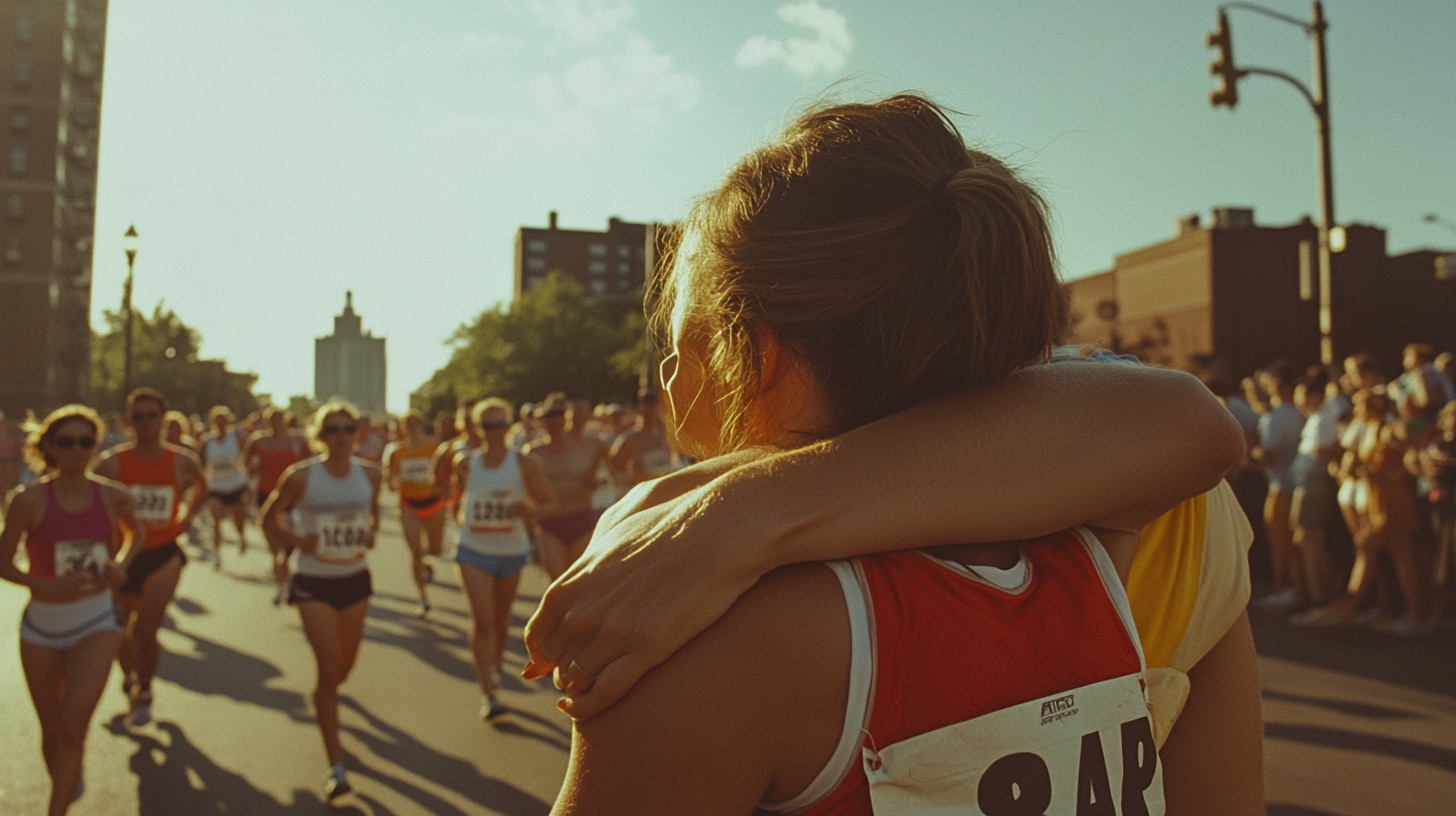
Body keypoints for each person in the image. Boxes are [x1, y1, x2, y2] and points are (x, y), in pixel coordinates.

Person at [534, 95, 1255, 814]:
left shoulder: (697, 634)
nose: (665, 378)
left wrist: (722, 509)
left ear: (755, 356)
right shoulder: (1148, 529)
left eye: (680, 341)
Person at [0, 405, 136, 815]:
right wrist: (45, 586)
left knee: (72, 727)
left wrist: (120, 567)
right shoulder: (28, 499)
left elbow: (137, 533)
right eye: (66, 442)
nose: (77, 450)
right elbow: (3, 564)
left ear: (96, 446)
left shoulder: (112, 495)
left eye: (86, 442)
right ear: (48, 447)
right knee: (52, 728)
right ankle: (66, 773)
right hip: (42, 625)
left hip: (96, 619)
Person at [260, 401, 381, 800]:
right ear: (320, 436)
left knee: (341, 671)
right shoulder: (301, 476)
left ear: (357, 434)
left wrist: (369, 533)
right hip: (313, 579)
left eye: (348, 428)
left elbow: (373, 516)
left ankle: (323, 698)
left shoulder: (369, 474)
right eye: (332, 429)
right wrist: (298, 540)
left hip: (355, 579)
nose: (341, 436)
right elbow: (268, 517)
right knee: (329, 669)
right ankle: (336, 764)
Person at [92, 389, 206, 726]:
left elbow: (202, 486)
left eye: (151, 415)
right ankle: (129, 678)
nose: (145, 422)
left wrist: (185, 516)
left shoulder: (182, 461)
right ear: (129, 421)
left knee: (145, 630)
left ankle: (145, 689)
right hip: (123, 555)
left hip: (163, 552)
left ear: (162, 419)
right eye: (138, 416)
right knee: (119, 631)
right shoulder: (112, 462)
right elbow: (90, 498)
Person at [452, 398, 556, 719]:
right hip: (473, 550)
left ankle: (494, 666)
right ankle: (488, 694)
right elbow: (460, 500)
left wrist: (530, 510)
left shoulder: (524, 464)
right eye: (487, 425)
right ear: (476, 428)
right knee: (482, 621)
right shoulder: (465, 462)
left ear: (508, 426)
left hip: (511, 551)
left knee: (500, 621)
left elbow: (550, 503)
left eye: (500, 424)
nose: (494, 431)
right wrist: (463, 518)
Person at [523, 397, 610, 579]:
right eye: (548, 417)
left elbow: (611, 473)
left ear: (565, 419)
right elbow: (526, 488)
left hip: (582, 519)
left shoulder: (587, 446)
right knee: (558, 584)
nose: (554, 421)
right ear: (541, 421)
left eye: (559, 416)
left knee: (579, 583)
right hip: (549, 524)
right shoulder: (533, 452)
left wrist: (598, 482)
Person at [1249, 362, 1308, 612]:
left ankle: (1285, 590)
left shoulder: (1276, 417)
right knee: (1289, 542)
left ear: (1278, 385)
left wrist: (1250, 451)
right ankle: (1293, 590)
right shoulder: (1298, 412)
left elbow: (1269, 455)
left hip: (1280, 486)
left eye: (1268, 382)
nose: (1264, 386)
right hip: (1295, 483)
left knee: (1281, 543)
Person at [386, 411, 447, 615]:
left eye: (416, 423)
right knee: (416, 552)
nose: (413, 427)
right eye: (408, 424)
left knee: (436, 549)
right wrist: (396, 482)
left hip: (433, 504)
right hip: (409, 505)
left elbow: (444, 473)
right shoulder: (396, 451)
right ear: (402, 428)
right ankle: (423, 597)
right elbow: (391, 479)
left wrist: (439, 486)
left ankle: (426, 565)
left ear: (421, 425)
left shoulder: (433, 447)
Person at [244, 407, 308, 602]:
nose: (276, 424)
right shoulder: (257, 440)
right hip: (266, 497)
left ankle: (289, 577)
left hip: (293, 500)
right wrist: (251, 474)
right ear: (266, 422)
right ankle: (282, 586)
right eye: (272, 420)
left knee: (290, 545)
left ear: (285, 421)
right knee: (274, 547)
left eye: (279, 419)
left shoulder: (297, 441)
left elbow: (310, 465)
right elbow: (246, 464)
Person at [199, 406, 251, 567]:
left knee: (238, 516)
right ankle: (216, 553)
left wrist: (245, 469)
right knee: (215, 519)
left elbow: (248, 453)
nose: (221, 423)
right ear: (213, 422)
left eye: (224, 420)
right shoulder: (207, 440)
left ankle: (241, 537)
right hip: (216, 486)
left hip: (236, 484)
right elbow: (199, 461)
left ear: (229, 421)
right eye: (217, 420)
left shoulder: (236, 437)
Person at [607, 391, 676, 487]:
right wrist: (626, 479)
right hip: (642, 493)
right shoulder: (630, 439)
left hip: (666, 491)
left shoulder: (665, 437)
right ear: (639, 410)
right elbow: (612, 465)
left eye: (655, 408)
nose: (652, 412)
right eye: (648, 407)